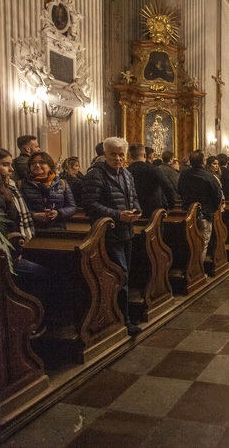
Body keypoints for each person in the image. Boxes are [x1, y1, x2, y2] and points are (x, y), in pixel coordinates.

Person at [0, 146, 48, 303]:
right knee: (40, 273)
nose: (11, 169)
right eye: (5, 164)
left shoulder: (1, 187)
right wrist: (14, 253)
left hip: (4, 252)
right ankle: (33, 314)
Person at [81, 137, 142, 336]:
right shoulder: (96, 175)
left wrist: (136, 211)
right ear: (105, 154)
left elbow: (133, 197)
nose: (117, 158)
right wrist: (117, 215)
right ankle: (123, 320)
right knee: (119, 276)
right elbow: (89, 204)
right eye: (113, 154)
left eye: (121, 154)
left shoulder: (127, 174)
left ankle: (121, 316)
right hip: (107, 235)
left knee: (125, 275)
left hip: (126, 233)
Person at [178, 151, 223, 264]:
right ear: (203, 162)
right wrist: (212, 209)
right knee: (203, 241)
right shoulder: (209, 176)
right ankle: (198, 270)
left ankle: (192, 268)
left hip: (188, 212)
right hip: (205, 212)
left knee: (190, 241)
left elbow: (180, 190)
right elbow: (217, 195)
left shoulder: (184, 174)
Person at [21, 151, 77, 230]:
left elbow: (72, 207)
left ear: (50, 166)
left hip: (57, 229)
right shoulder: (22, 184)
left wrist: (58, 213)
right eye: (33, 163)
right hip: (32, 230)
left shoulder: (62, 183)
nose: (37, 165)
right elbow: (17, 210)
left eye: (42, 162)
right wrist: (33, 215)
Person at [127, 143, 176, 218]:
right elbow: (168, 187)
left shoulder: (125, 171)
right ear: (144, 155)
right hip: (153, 212)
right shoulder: (153, 169)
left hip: (133, 212)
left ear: (130, 155)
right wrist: (170, 206)